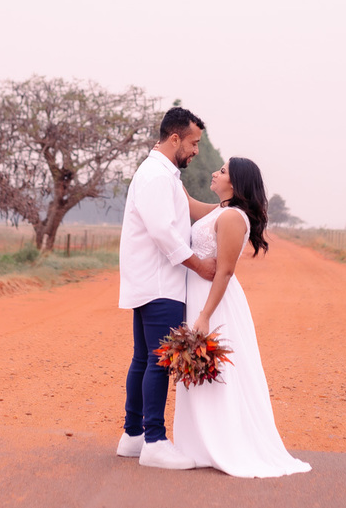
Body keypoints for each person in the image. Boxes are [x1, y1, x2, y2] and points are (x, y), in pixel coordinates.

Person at [172, 157, 312, 477]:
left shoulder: (234, 217)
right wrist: (166, 166)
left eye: (222, 171)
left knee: (217, 370)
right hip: (199, 297)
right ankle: (201, 444)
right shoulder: (221, 210)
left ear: (235, 183)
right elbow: (190, 204)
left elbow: (225, 270)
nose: (214, 173)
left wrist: (205, 315)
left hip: (215, 303)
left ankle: (224, 442)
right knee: (201, 368)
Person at [116, 106, 218, 469]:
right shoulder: (157, 176)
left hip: (149, 281)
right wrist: (200, 264)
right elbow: (163, 232)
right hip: (161, 283)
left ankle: (133, 436)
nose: (196, 151)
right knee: (159, 363)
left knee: (144, 359)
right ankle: (155, 442)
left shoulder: (163, 173)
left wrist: (229, 208)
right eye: (193, 143)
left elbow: (188, 207)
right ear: (175, 138)